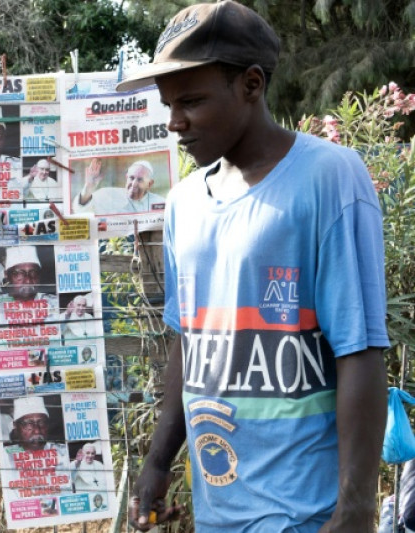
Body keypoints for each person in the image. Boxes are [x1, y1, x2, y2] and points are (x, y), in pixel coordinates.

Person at [116, 2, 389, 531]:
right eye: (168, 104)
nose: (175, 123)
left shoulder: (328, 177)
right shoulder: (186, 201)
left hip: (304, 513)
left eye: (191, 101)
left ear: (252, 85)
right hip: (219, 509)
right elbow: (187, 340)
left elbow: (360, 347)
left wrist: (356, 508)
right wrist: (156, 462)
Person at [71, 159, 165, 214]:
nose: (134, 184)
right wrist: (88, 187)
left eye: (140, 180)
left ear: (150, 184)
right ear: (126, 177)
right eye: (131, 178)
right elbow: (79, 211)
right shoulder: (107, 194)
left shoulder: (160, 202)